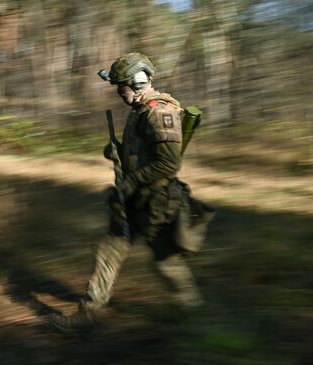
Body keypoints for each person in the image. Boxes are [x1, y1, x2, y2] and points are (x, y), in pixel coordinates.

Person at [49, 53, 213, 334]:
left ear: (137, 82)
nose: (118, 91)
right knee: (110, 251)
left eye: (120, 85)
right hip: (135, 199)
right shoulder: (140, 111)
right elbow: (143, 153)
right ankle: (88, 313)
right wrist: (118, 151)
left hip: (156, 203)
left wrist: (132, 181)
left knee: (167, 262)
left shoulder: (160, 113)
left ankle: (194, 317)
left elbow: (168, 164)